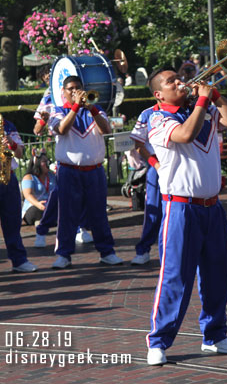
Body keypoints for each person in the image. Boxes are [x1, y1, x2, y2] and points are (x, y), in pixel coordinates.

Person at [144, 67, 227, 366]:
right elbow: (185, 135)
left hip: (212, 206)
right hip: (180, 207)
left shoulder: (203, 109)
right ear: (158, 94)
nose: (179, 83)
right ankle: (158, 341)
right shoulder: (157, 117)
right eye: (170, 82)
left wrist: (215, 95)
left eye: (179, 78)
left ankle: (215, 336)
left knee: (218, 273)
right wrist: (202, 101)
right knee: (176, 276)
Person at [47, 76, 121, 269]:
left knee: (99, 214)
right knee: (67, 214)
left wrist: (91, 107)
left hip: (94, 171)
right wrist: (75, 108)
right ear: (63, 92)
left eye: (78, 88)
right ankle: (64, 254)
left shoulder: (95, 110)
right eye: (70, 88)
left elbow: (106, 129)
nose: (74, 91)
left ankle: (107, 252)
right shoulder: (57, 111)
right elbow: (61, 129)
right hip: (69, 171)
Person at [0, 117, 37, 272]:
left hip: (8, 177)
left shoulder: (7, 125)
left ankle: (19, 260)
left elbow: (20, 154)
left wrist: (11, 143)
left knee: (12, 222)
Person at [129, 99, 163, 265]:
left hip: (181, 168)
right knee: (154, 210)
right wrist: (155, 164)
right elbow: (138, 144)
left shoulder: (188, 110)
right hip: (157, 168)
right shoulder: (148, 113)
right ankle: (144, 249)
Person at [21, 151, 56, 226]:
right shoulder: (29, 177)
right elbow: (28, 194)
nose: (47, 163)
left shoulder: (52, 176)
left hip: (49, 205)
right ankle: (46, 220)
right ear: (37, 163)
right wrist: (38, 204)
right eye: (44, 161)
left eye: (48, 161)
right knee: (37, 211)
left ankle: (44, 221)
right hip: (34, 206)